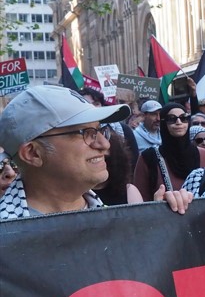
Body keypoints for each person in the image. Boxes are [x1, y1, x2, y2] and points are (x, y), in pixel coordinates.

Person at [0, 85, 192, 219]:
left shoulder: (114, 219)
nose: (105, 145)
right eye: (86, 133)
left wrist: (160, 224)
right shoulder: (7, 240)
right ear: (33, 153)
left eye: (101, 131)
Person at [132, 102, 205, 200]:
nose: (179, 122)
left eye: (183, 118)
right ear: (163, 123)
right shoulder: (148, 158)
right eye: (172, 119)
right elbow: (141, 201)